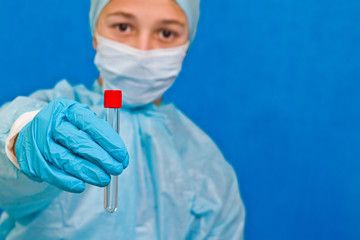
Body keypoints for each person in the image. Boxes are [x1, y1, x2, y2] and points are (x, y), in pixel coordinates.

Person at [0, 0, 245, 239]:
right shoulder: (55, 114)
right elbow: (7, 154)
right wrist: (20, 142)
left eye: (166, 33)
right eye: (123, 27)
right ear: (96, 34)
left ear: (186, 45)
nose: (143, 49)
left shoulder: (205, 162)